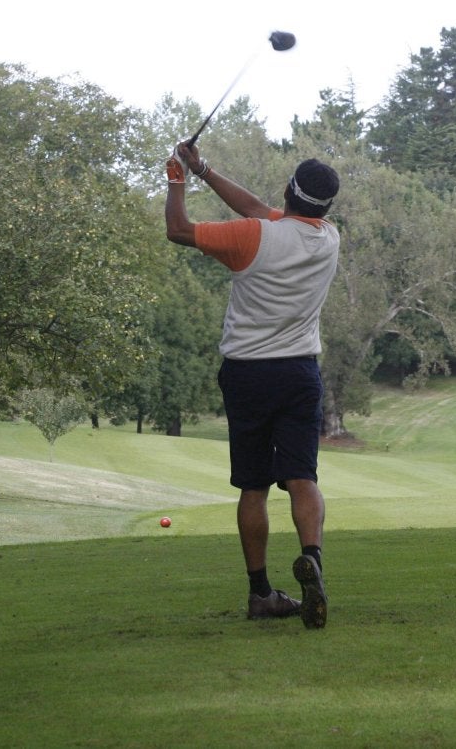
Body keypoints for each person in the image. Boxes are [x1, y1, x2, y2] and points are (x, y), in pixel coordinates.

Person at [164, 140, 340, 629]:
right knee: (303, 477)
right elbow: (262, 212)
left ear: (288, 191)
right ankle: (313, 561)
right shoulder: (328, 238)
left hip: (248, 373)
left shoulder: (252, 238)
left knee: (255, 486)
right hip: (300, 372)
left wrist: (177, 179)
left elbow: (178, 229)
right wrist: (205, 170)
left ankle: (261, 592)